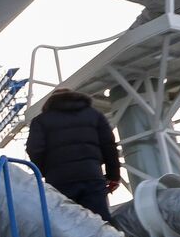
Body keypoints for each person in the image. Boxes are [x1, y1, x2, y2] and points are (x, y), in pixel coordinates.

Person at [26, 88, 121, 224]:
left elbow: (34, 149)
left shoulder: (41, 121)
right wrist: (113, 176)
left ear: (50, 102)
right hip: (91, 176)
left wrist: (45, 171)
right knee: (101, 226)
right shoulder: (95, 115)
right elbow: (109, 146)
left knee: (67, 227)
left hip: (59, 181)